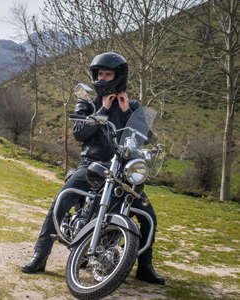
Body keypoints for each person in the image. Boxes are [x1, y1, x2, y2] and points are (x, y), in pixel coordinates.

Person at [21, 52, 165, 285]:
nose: (102, 79)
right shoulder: (87, 102)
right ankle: (40, 255)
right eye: (99, 74)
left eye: (107, 74)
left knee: (148, 216)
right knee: (62, 200)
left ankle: (145, 267)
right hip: (92, 165)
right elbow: (80, 133)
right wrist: (102, 111)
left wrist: (127, 111)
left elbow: (144, 138)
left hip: (122, 170)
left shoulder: (133, 105)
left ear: (118, 76)